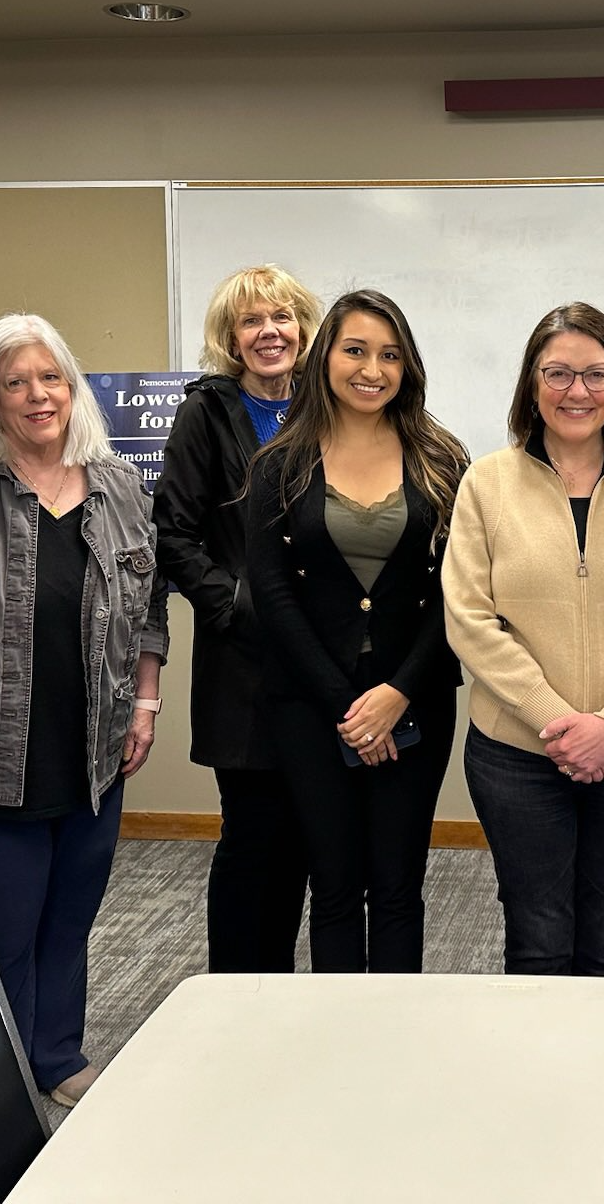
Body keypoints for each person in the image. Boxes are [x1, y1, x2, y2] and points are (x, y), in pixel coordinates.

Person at [0, 313, 168, 1107]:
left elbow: (148, 607)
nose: (39, 396)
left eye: (51, 378)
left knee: (68, 920)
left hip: (96, 747)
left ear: (72, 388)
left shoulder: (119, 487)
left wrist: (145, 700)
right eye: (16, 383)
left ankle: (56, 1057)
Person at [445, 302, 604, 976]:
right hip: (517, 753)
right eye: (558, 373)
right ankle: (537, 1078)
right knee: (538, 936)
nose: (577, 392)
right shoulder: (487, 483)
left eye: (596, 374)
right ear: (532, 383)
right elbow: (468, 616)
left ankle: (602, 1079)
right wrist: (555, 718)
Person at [243, 289, 468, 972]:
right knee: (335, 886)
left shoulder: (440, 458)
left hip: (416, 700)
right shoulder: (279, 464)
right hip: (312, 706)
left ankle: (397, 1049)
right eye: (356, 350)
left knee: (399, 888)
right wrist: (348, 708)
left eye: (390, 355)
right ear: (325, 359)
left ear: (408, 367)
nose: (372, 369)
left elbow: (457, 592)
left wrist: (397, 694)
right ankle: (338, 1044)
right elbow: (273, 596)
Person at [154, 264, 320, 973]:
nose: (269, 333)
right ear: (230, 338)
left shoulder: (330, 408)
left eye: (281, 317)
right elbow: (173, 532)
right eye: (250, 322)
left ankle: (281, 993)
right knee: (253, 839)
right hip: (245, 667)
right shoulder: (206, 413)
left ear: (304, 330)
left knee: (310, 840)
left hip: (322, 667)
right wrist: (236, 606)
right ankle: (236, 993)